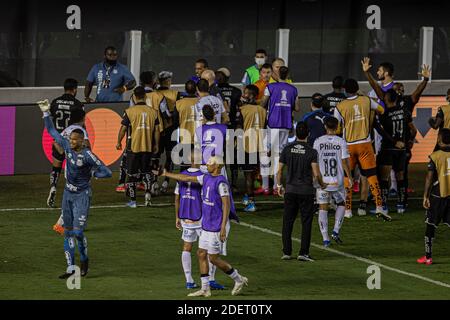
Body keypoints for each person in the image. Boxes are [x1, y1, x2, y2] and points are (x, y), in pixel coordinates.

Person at [37, 99, 112, 279]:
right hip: (68, 195)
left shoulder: (87, 155)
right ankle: (71, 269)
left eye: (73, 140)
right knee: (67, 232)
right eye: (70, 139)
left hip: (82, 195)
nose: (70, 142)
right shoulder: (67, 148)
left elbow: (107, 172)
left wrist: (94, 175)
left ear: (81, 141)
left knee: (78, 233)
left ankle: (84, 259)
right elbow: (52, 132)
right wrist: (46, 113)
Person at [159, 156, 247, 297]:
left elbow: (226, 205)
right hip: (206, 224)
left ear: (217, 166)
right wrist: (167, 174)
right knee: (201, 253)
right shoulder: (205, 178)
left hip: (216, 226)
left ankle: (238, 279)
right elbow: (186, 178)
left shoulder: (221, 183)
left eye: (210, 163)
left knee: (213, 258)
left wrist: (223, 226)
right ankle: (205, 288)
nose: (207, 165)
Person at [334, 78, 391, 221]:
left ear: (345, 90)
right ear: (357, 88)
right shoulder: (366, 101)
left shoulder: (340, 106)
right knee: (372, 176)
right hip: (365, 144)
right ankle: (379, 206)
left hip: (348, 146)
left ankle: (347, 210)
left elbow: (337, 129)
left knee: (348, 177)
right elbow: (382, 110)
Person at [276, 122, 326, 261]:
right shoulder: (311, 151)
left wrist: (279, 186)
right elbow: (316, 174)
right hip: (306, 191)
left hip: (291, 190)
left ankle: (286, 251)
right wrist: (322, 185)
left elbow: (279, 171)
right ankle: (303, 253)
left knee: (287, 221)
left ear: (295, 133)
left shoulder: (287, 149)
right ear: (308, 134)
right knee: (306, 222)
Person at [116, 86, 161, 208]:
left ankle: (133, 201)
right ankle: (147, 195)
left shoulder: (129, 111)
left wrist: (118, 142)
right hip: (148, 146)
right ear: (145, 97)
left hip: (133, 147)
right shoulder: (153, 112)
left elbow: (123, 128)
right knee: (147, 171)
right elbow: (157, 131)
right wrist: (156, 144)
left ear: (134, 97)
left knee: (131, 174)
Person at [314, 117, 352, 247]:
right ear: (337, 127)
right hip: (338, 181)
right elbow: (344, 161)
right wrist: (350, 177)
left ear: (325, 126)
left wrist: (315, 176)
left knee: (323, 208)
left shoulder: (318, 142)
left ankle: (325, 239)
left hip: (323, 181)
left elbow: (315, 161)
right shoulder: (341, 141)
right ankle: (335, 230)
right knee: (341, 203)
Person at [52, 108, 91, 235]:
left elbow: (55, 142)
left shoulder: (67, 130)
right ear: (82, 118)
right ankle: (60, 224)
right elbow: (87, 147)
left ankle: (73, 222)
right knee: (79, 197)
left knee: (73, 196)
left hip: (69, 169)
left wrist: (64, 153)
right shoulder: (80, 132)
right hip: (79, 170)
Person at [47, 78, 85, 209]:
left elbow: (50, 120)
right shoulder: (77, 104)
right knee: (73, 168)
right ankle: (73, 195)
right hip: (72, 140)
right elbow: (81, 123)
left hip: (58, 139)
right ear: (74, 89)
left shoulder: (55, 102)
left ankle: (53, 187)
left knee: (56, 167)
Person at [261, 66, 298, 195]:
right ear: (288, 74)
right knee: (279, 156)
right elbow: (297, 107)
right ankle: (278, 186)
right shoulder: (293, 89)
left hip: (273, 124)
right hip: (285, 125)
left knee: (265, 153)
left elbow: (263, 103)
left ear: (277, 73)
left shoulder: (270, 87)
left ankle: (265, 186)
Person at [418, 128, 450, 265]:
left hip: (438, 196)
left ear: (439, 139)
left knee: (430, 225)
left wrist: (425, 196)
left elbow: (429, 178)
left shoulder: (435, 156)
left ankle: (428, 257)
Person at [238, 85, 267, 212]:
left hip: (247, 145)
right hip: (258, 144)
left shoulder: (243, 109)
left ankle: (251, 202)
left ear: (251, 95)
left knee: (248, 175)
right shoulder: (262, 110)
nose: (243, 95)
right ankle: (247, 196)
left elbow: (239, 129)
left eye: (245, 93)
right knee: (249, 173)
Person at [216, 68, 242, 191]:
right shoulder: (236, 91)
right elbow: (238, 111)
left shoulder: (214, 90)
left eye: (219, 75)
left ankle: (228, 182)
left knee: (225, 156)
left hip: (220, 128)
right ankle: (233, 182)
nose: (218, 77)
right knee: (231, 156)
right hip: (230, 127)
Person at [157, 71, 181, 193]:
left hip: (157, 130)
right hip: (171, 129)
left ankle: (153, 182)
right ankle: (166, 181)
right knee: (170, 156)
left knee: (155, 156)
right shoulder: (175, 94)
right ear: (168, 81)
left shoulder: (154, 93)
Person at [174, 80, 200, 171]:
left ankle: (182, 185)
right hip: (199, 139)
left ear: (185, 89)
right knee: (198, 166)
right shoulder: (202, 101)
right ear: (196, 89)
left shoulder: (179, 103)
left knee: (184, 167)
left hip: (185, 138)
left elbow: (175, 122)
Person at [195, 105, 228, 175]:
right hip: (217, 166)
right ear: (214, 114)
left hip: (204, 166)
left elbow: (197, 150)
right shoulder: (224, 128)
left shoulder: (198, 130)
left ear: (203, 116)